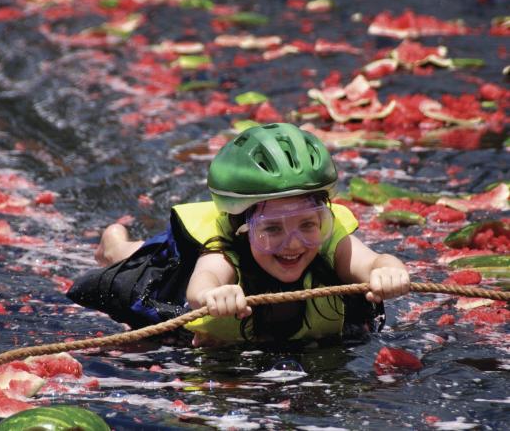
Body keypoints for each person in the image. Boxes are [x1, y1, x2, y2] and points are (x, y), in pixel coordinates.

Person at [67, 123, 410, 346]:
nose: (293, 243)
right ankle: (115, 242)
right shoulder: (223, 250)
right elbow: (202, 285)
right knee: (137, 261)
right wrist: (214, 297)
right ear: (242, 228)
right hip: (175, 270)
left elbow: (374, 261)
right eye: (272, 228)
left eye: (309, 224)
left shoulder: (331, 238)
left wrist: (388, 269)